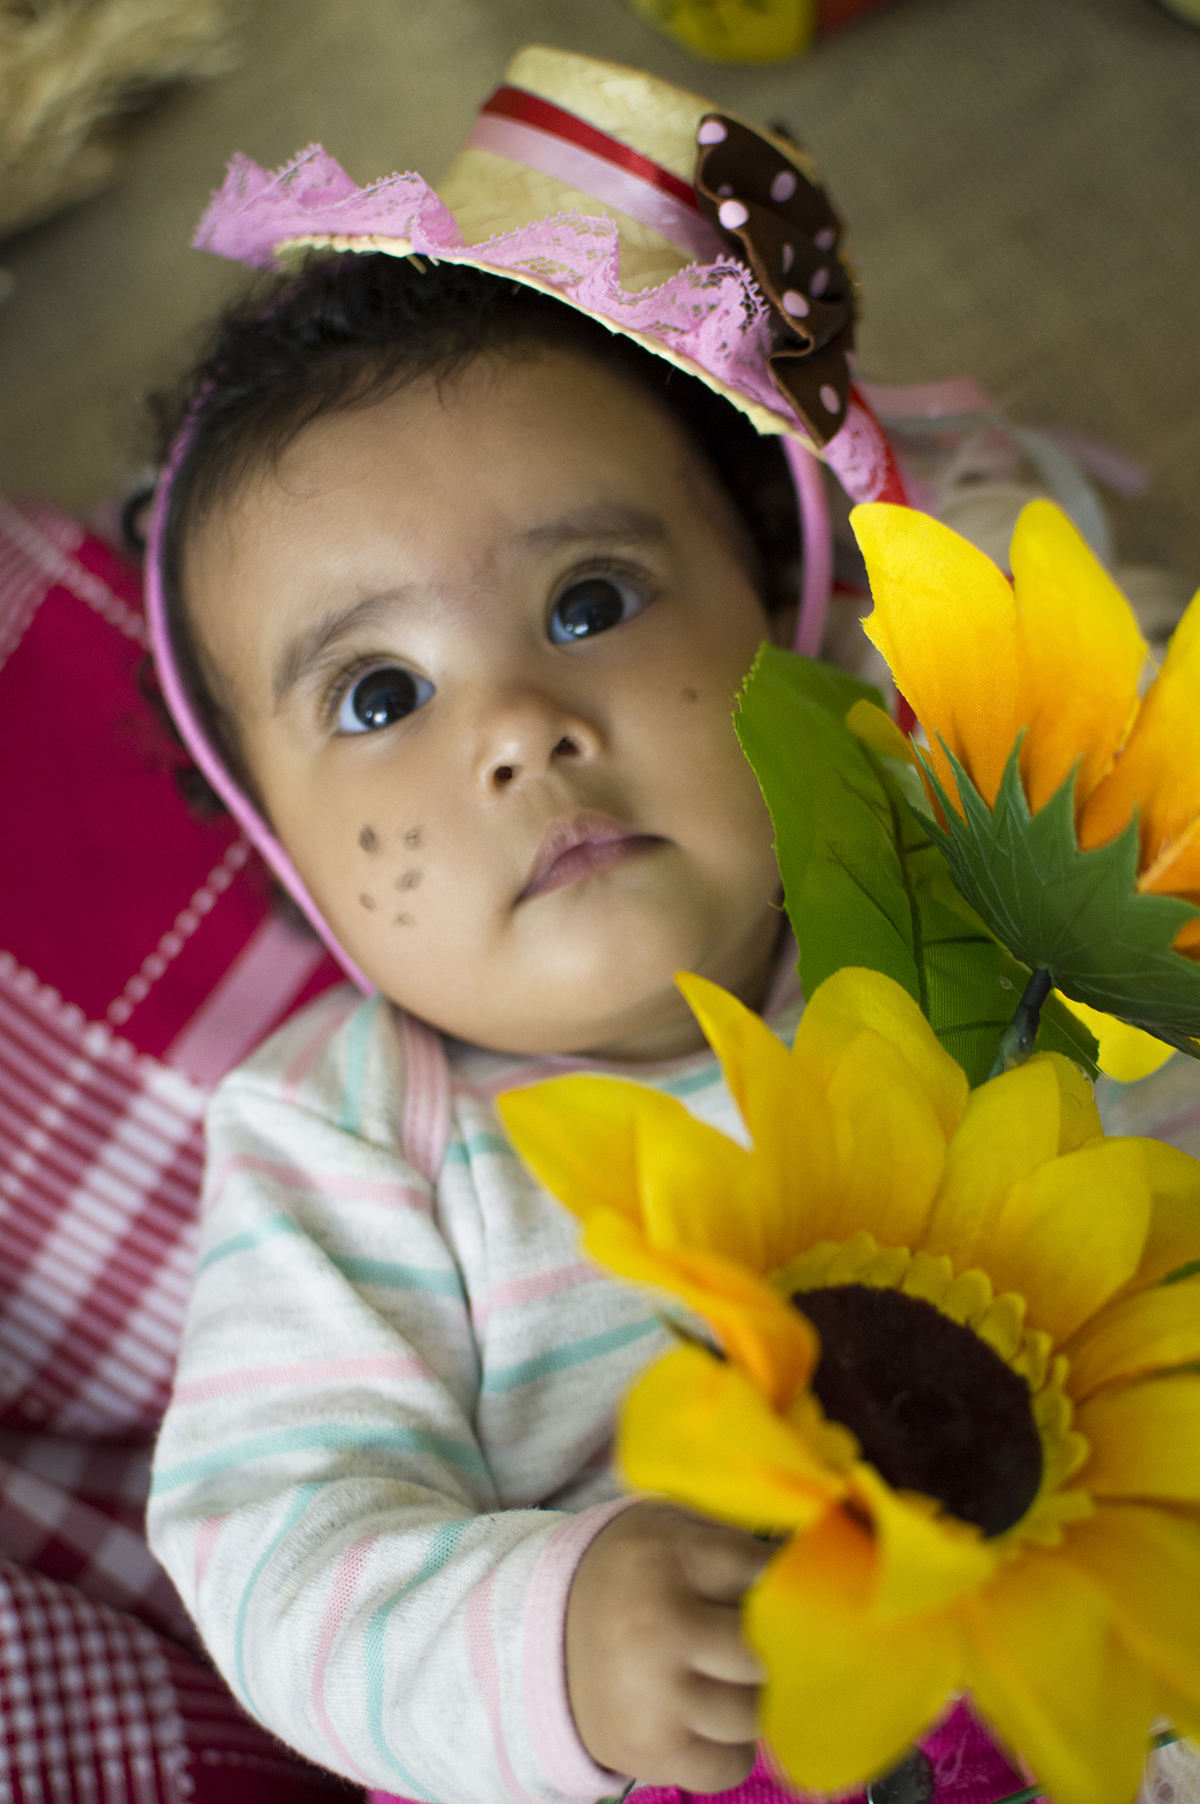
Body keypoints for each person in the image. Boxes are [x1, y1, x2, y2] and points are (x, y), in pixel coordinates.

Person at [145, 47, 1030, 1804]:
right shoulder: (353, 1142)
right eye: (380, 694)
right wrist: (552, 1639)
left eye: (591, 599)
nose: (518, 729)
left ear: (784, 613)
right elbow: (275, 1539)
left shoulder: (972, 864)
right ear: (283, 848)